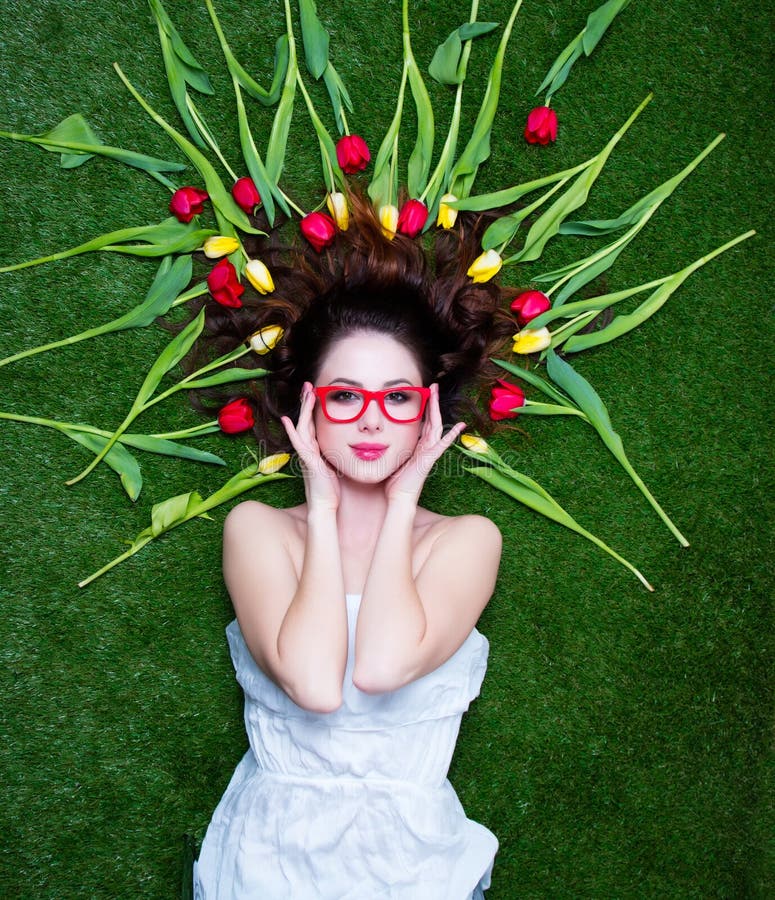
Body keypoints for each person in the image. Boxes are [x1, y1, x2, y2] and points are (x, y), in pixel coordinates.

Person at [191, 193, 515, 898]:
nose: (371, 422)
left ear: (428, 409)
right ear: (307, 404)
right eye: (345, 397)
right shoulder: (257, 528)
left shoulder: (466, 541)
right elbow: (312, 685)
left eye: (397, 397)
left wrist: (402, 502)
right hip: (266, 860)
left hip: (416, 867)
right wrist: (321, 498)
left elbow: (379, 666)